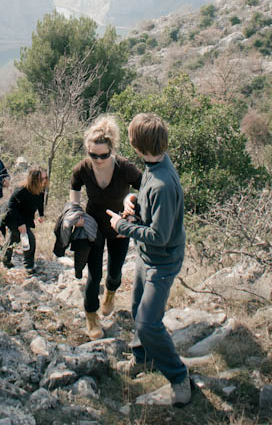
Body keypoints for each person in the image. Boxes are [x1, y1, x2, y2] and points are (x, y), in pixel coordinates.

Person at [107, 113, 191, 407]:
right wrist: (134, 201)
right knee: (136, 308)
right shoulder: (156, 165)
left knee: (146, 322)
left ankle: (180, 379)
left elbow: (160, 235)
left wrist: (122, 226)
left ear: (137, 144)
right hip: (148, 257)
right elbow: (151, 206)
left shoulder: (162, 184)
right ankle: (143, 360)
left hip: (162, 261)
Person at [70, 114, 142, 340]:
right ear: (87, 151)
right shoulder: (81, 169)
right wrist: (76, 214)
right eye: (93, 155)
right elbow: (74, 197)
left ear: (112, 149)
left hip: (119, 225)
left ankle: (110, 293)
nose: (98, 160)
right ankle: (91, 315)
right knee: (94, 274)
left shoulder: (125, 168)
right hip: (93, 225)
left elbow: (147, 191)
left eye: (103, 155)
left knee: (114, 271)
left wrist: (132, 209)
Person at [0, 166, 48, 275]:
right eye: (41, 179)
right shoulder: (22, 190)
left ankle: (5, 259)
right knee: (29, 238)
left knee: (15, 237)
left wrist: (41, 214)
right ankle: (29, 266)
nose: (44, 181)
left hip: (25, 217)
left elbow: (40, 201)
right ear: (34, 179)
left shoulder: (41, 188)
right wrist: (20, 223)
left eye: (46, 178)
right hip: (12, 215)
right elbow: (11, 205)